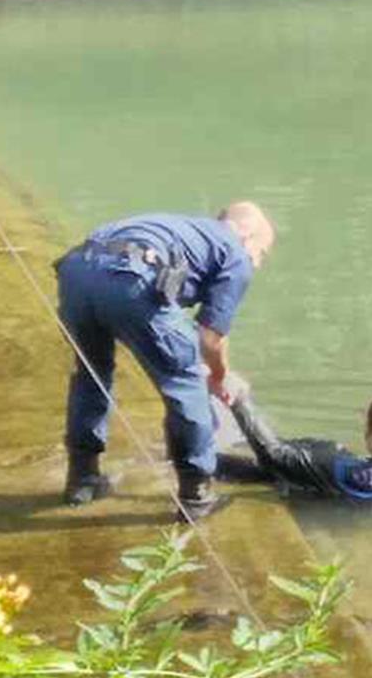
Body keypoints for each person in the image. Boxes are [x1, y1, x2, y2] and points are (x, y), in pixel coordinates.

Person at [55, 202, 275, 520]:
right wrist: (219, 374)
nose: (257, 262)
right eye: (261, 252)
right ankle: (196, 494)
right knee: (185, 382)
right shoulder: (235, 253)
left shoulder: (184, 228)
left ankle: (82, 478)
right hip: (130, 280)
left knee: (91, 374)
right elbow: (211, 337)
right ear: (245, 233)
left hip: (76, 273)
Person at [220, 389, 372, 502]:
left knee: (268, 470)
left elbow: (273, 454)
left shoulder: (353, 474)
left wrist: (239, 400)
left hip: (317, 491)